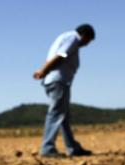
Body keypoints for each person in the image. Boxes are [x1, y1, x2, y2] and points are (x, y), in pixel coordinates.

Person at [33, 24, 95, 157]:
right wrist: (43, 71)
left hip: (55, 80)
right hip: (58, 81)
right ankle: (47, 148)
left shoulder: (64, 37)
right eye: (88, 41)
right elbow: (61, 55)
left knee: (63, 116)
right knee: (55, 114)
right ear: (84, 35)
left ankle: (73, 147)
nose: (86, 44)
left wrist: (44, 71)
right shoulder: (73, 38)